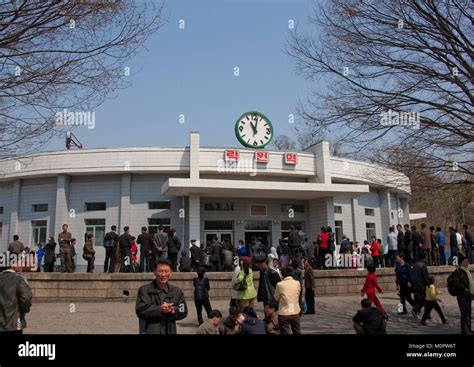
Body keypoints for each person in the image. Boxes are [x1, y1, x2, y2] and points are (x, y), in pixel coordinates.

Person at [135, 259, 188, 334]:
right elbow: (140, 310)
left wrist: (173, 311)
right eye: (160, 271)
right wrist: (160, 309)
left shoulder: (177, 291)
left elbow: (183, 311)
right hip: (150, 330)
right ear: (154, 271)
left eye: (166, 271)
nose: (163, 275)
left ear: (171, 272)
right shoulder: (144, 290)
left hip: (170, 330)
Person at [0, 257, 32, 334]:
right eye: (20, 263)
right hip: (14, 321)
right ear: (12, 264)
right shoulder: (19, 279)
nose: (22, 265)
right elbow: (26, 298)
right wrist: (24, 310)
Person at [274, 266, 301, 334]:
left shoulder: (280, 284)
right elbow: (298, 294)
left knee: (285, 332)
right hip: (295, 311)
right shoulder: (297, 283)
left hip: (284, 312)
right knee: (297, 331)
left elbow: (276, 297)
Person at [451, 255, 473, 334]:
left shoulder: (467, 271)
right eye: (465, 261)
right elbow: (455, 282)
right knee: (465, 313)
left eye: (467, 261)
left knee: (468, 313)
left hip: (468, 295)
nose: (467, 263)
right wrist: (464, 288)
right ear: (461, 263)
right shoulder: (458, 271)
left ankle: (468, 329)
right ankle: (465, 330)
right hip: (462, 295)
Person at [412, 251, 430, 318]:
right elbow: (425, 276)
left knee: (423, 299)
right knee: (425, 299)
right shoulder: (423, 265)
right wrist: (428, 284)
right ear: (424, 257)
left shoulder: (415, 265)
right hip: (422, 285)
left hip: (416, 285)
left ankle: (427, 314)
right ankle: (416, 309)